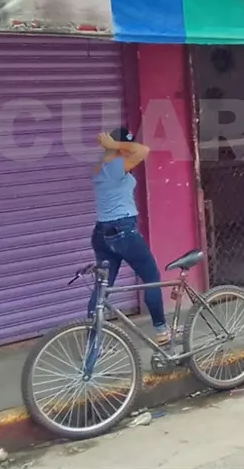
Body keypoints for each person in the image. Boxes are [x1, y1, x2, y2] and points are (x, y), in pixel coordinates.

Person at [90, 127, 170, 345]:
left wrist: (112, 147)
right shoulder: (114, 166)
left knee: (102, 288)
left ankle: (93, 342)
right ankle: (162, 332)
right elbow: (143, 150)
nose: (127, 150)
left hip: (102, 233)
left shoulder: (100, 167)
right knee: (151, 279)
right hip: (123, 232)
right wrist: (114, 146)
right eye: (124, 146)